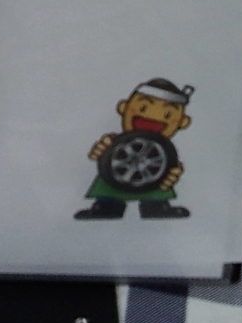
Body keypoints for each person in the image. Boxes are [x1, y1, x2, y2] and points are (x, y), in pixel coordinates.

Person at [74, 78, 193, 219]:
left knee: (158, 190)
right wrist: (101, 149)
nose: (152, 118)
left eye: (167, 115)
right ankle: (106, 206)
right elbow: (95, 154)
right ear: (123, 107)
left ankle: (156, 207)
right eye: (143, 108)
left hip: (154, 182)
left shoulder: (166, 152)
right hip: (113, 177)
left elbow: (173, 169)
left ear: (183, 122)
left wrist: (172, 175)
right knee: (108, 189)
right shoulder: (114, 141)